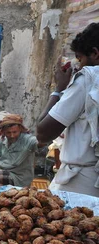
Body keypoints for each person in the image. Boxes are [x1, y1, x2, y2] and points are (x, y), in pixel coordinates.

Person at [37, 23, 99, 196]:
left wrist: (58, 89)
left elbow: (42, 133)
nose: (78, 66)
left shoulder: (89, 78)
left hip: (82, 184)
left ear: (95, 53)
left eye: (80, 59)